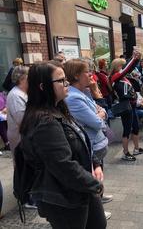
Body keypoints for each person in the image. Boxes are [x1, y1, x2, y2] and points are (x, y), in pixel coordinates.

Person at [20, 62, 107, 229]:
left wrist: (95, 163)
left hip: (80, 188)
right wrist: (94, 184)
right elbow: (62, 164)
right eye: (61, 81)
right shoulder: (45, 121)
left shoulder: (59, 108)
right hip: (63, 197)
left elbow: (81, 138)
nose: (67, 84)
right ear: (42, 86)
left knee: (98, 224)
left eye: (66, 79)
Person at [64, 59, 112, 218]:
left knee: (98, 174)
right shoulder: (73, 97)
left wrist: (100, 113)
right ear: (76, 76)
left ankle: (99, 198)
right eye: (86, 71)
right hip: (91, 144)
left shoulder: (83, 92)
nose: (90, 74)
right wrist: (100, 115)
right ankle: (97, 211)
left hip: (97, 144)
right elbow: (97, 122)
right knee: (92, 177)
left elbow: (101, 109)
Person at [110, 53, 143, 161]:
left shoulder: (122, 77)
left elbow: (128, 70)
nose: (123, 68)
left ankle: (136, 148)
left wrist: (136, 59)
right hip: (126, 107)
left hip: (132, 106)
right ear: (117, 67)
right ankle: (125, 152)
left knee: (135, 128)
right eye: (121, 65)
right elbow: (127, 69)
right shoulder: (115, 77)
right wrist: (134, 58)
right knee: (127, 130)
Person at [6, 66, 29, 156]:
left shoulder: (23, 92)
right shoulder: (16, 96)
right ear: (23, 78)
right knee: (22, 167)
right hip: (19, 139)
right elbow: (22, 121)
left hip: (23, 138)